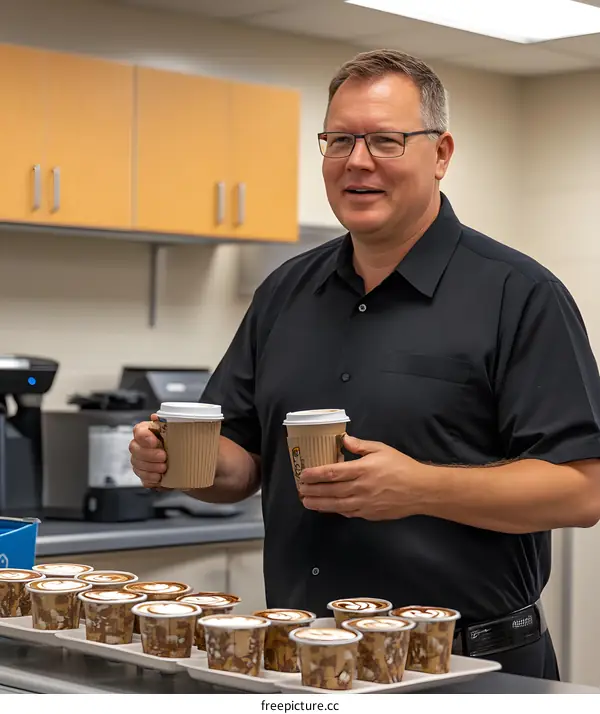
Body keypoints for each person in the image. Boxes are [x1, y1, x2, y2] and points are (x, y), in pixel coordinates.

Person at [130, 48, 600, 680]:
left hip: (470, 667)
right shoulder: (283, 293)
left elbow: (582, 488)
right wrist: (176, 461)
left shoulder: (519, 295)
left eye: (386, 140)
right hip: (305, 662)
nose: (357, 161)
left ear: (440, 154)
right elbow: (239, 466)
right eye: (340, 140)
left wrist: (419, 488)